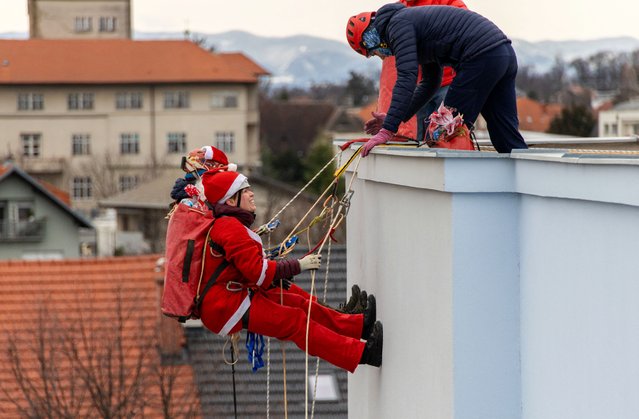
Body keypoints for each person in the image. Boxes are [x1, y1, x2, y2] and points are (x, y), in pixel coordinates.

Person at [198, 169, 384, 371]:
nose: (252, 194)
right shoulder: (230, 228)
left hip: (232, 297)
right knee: (294, 322)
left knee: (297, 303)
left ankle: (357, 326)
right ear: (231, 201)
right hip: (226, 307)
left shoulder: (229, 225)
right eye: (245, 190)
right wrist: (299, 265)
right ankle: (362, 354)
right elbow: (258, 273)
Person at [346, 3, 529, 155]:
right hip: (502, 54)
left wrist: (388, 130)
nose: (381, 56)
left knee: (442, 130)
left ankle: (461, 191)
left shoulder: (396, 26)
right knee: (505, 135)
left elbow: (406, 77)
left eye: (373, 51)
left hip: (480, 57)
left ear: (370, 38)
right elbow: (430, 83)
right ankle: (527, 183)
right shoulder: (414, 24)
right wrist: (396, 117)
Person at [366, 0, 468, 143]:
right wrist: (393, 118)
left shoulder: (448, 2)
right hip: (420, 86)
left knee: (449, 135)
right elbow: (393, 69)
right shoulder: (397, 10)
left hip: (448, 82)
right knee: (419, 141)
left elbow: (464, 31)